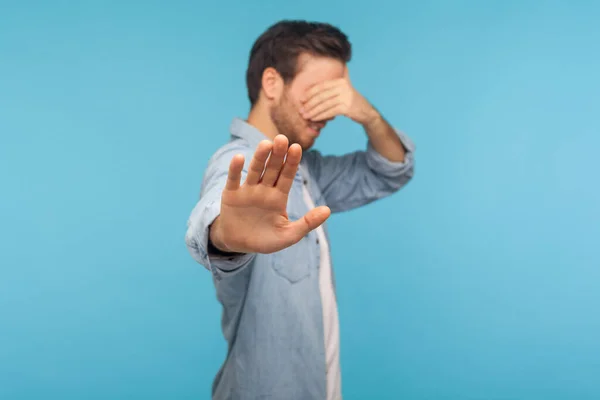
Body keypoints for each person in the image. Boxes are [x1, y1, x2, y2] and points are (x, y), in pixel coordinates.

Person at [185, 19, 415, 400]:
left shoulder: (310, 173)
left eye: (338, 94)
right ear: (272, 83)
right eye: (318, 92)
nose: (330, 111)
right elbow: (214, 215)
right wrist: (226, 234)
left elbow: (389, 171)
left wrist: (369, 115)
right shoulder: (237, 160)